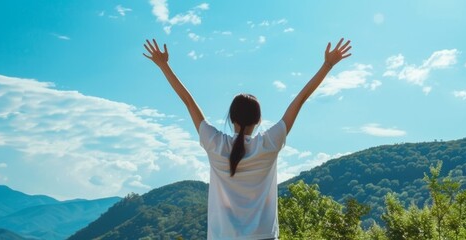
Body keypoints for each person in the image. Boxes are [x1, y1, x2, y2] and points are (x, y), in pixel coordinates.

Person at [142, 38, 352, 240]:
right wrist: (327, 65)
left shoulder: (215, 143)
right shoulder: (268, 143)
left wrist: (163, 66)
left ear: (231, 117)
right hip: (264, 235)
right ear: (258, 120)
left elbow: (188, 101)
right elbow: (300, 100)